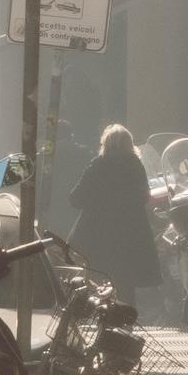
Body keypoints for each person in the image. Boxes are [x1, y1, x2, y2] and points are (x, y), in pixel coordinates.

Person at [67, 123, 160, 306]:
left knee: (98, 278)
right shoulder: (135, 166)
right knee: (127, 283)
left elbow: (75, 198)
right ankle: (126, 322)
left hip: (98, 234)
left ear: (106, 144)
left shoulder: (98, 165)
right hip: (130, 235)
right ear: (129, 144)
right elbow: (144, 196)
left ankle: (101, 316)